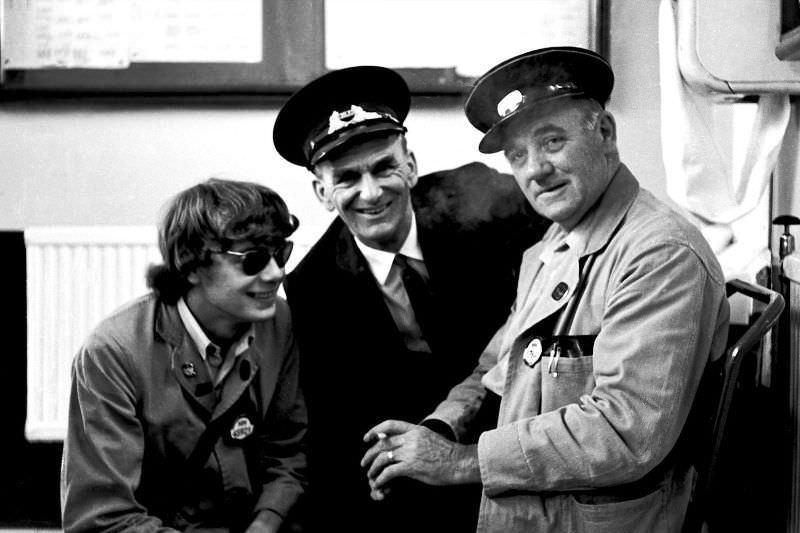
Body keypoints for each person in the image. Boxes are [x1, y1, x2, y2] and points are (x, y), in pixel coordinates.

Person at [361, 46, 731, 533]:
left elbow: (625, 431)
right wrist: (437, 428)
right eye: (518, 155)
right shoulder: (556, 240)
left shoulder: (659, 254)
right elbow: (497, 366)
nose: (533, 169)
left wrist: (460, 462)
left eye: (552, 141)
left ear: (604, 133)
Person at [272, 66, 547, 532]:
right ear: (322, 192)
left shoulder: (490, 200)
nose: (371, 192)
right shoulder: (311, 291)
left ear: (411, 166)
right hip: (414, 485)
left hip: (524, 440)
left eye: (384, 167)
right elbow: (339, 426)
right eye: (347, 178)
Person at [61, 178, 307, 533]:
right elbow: (103, 518)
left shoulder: (279, 323)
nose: (276, 273)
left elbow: (289, 454)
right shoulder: (112, 353)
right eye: (252, 260)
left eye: (281, 253)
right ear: (191, 266)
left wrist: (266, 523)